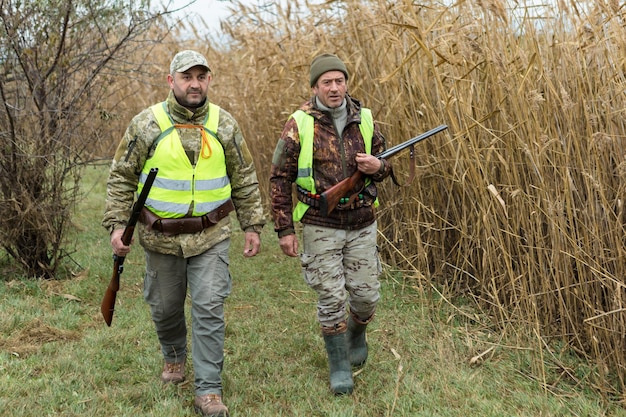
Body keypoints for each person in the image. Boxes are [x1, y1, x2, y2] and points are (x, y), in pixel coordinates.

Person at [102, 50, 265, 417]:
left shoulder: (225, 125)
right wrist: (116, 225)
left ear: (209, 80)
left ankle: (209, 390)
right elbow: (121, 177)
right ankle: (174, 357)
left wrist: (252, 225)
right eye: (186, 76)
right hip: (159, 236)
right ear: (170, 80)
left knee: (209, 307)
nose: (194, 83)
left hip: (212, 235)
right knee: (165, 307)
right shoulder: (146, 124)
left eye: (201, 76)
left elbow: (244, 178)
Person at [269, 53, 392, 395]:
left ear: (346, 83)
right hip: (319, 222)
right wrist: (284, 229)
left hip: (362, 222)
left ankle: (356, 334)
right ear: (315, 87)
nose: (334, 88)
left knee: (366, 297)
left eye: (340, 81)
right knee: (331, 297)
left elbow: (387, 167)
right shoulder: (300, 123)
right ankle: (339, 363)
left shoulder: (365, 119)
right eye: (327, 82)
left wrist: (376, 168)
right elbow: (280, 178)